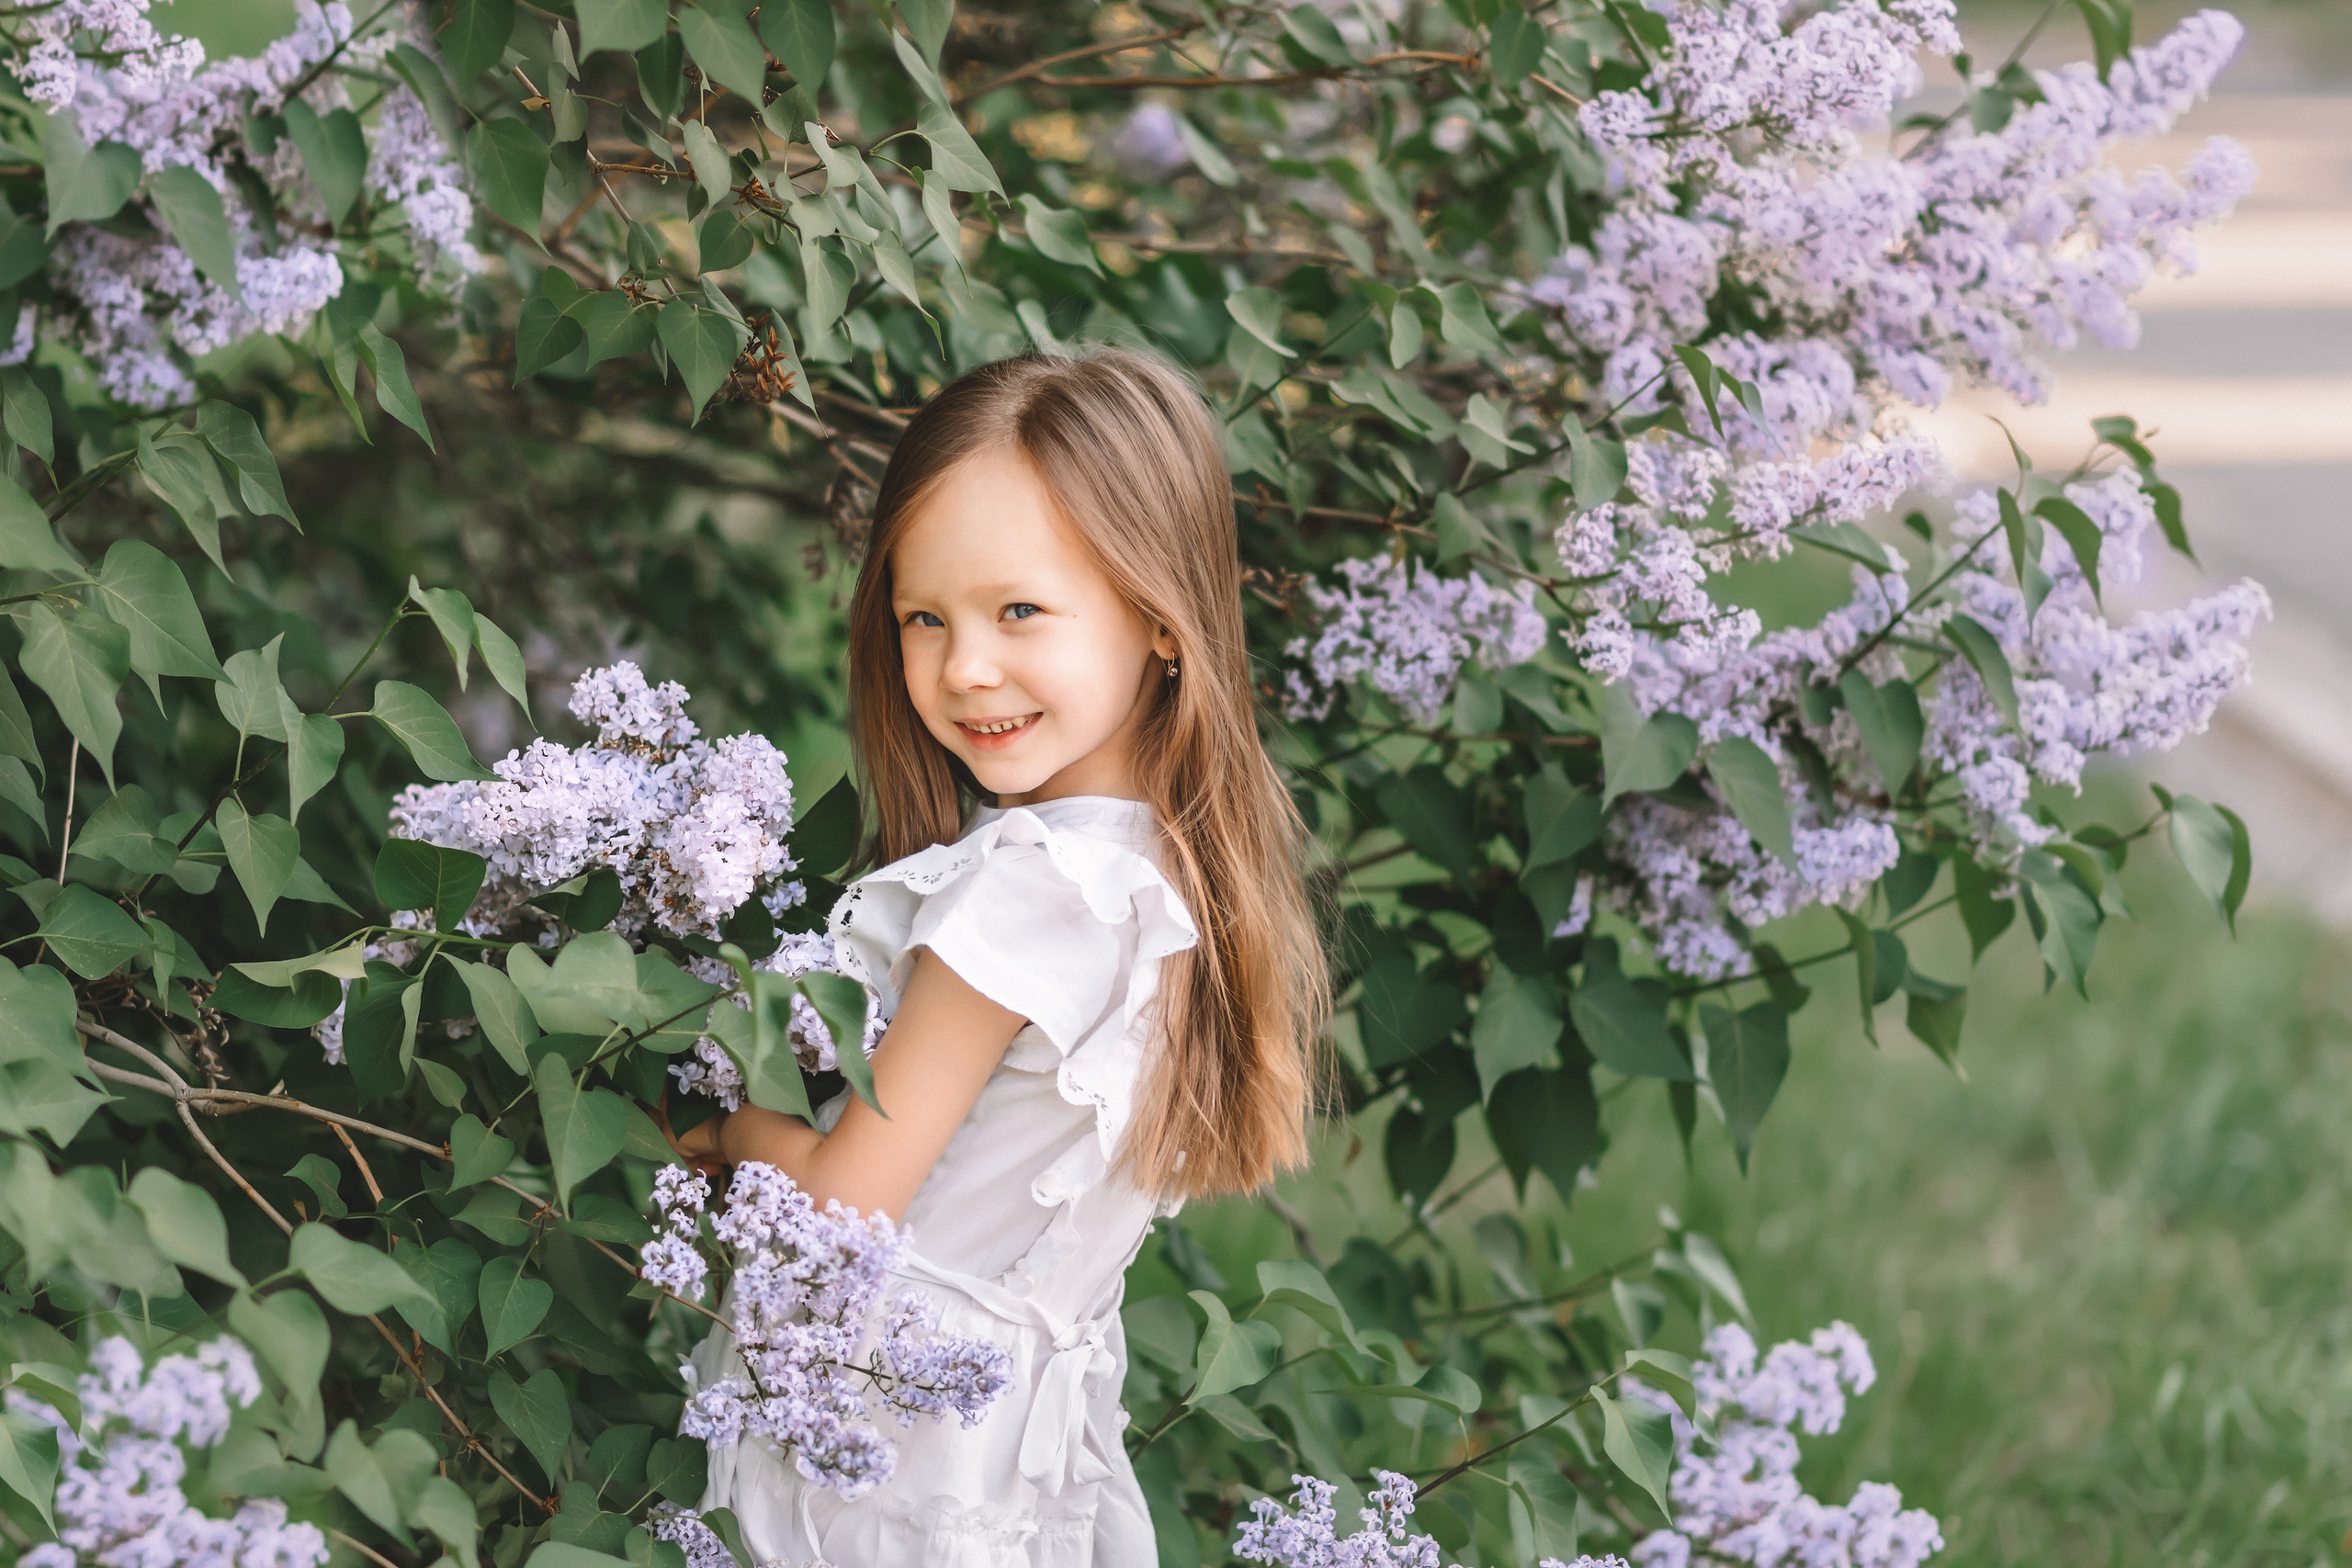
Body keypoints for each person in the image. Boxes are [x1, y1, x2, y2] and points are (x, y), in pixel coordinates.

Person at [668, 348, 1329, 1566]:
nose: (965, 667)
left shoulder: (1033, 889)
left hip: (878, 1455)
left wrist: (722, 1132)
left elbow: (840, 1210)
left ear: (1159, 617)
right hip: (995, 1455)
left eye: (1020, 610)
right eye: (925, 617)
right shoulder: (1164, 876)